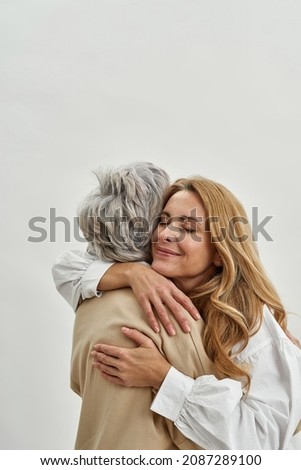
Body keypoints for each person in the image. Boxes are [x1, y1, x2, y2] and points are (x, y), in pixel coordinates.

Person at [89, 176, 301, 450]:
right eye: (163, 222)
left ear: (218, 252)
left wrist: (163, 378)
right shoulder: (151, 283)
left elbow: (261, 444)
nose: (164, 234)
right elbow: (67, 267)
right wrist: (132, 272)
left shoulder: (250, 326)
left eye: (188, 228)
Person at [54, 162, 213, 450]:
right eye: (163, 221)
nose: (168, 234)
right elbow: (217, 430)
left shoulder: (88, 301)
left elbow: (77, 382)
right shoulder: (173, 313)